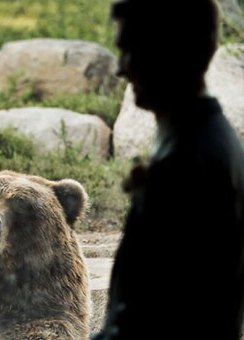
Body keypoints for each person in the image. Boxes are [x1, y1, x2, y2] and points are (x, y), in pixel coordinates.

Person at [93, 0, 244, 339]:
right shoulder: (213, 139)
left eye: (129, 51)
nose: (121, 69)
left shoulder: (184, 165)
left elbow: (145, 319)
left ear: (165, 54)